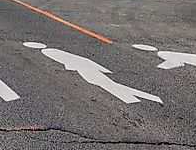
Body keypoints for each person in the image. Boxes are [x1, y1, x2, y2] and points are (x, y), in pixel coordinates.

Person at [24, 42, 161, 104]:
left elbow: (70, 62)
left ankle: (135, 97)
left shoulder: (50, 51)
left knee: (103, 83)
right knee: (105, 84)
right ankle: (134, 97)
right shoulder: (51, 51)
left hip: (84, 68)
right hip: (86, 67)